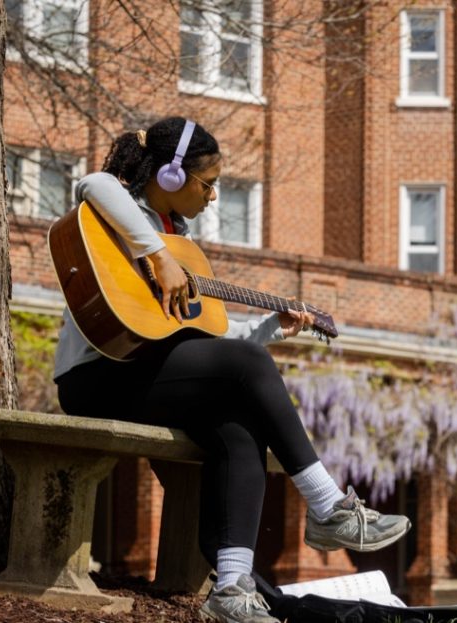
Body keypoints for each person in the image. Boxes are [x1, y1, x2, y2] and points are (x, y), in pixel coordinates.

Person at [53, 116, 411, 623]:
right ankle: (328, 506)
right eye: (209, 183)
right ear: (171, 177)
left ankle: (232, 588)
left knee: (239, 428)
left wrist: (268, 329)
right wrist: (156, 256)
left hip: (148, 377)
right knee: (245, 369)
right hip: (96, 377)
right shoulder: (121, 214)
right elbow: (92, 183)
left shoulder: (182, 245)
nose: (214, 196)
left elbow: (203, 340)